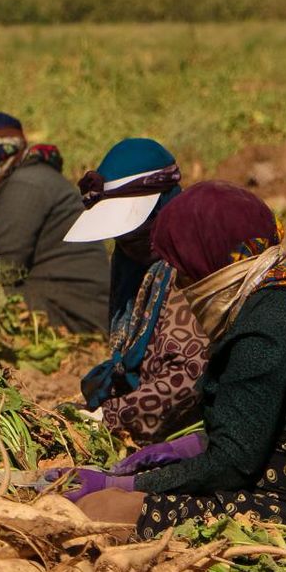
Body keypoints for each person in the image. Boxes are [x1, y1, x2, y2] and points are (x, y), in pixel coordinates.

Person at [59, 182, 286, 536]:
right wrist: (183, 449)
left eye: (185, 272)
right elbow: (253, 420)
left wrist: (132, 485)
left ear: (211, 262)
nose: (183, 285)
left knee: (103, 509)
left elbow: (233, 464)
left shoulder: (265, 329)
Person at [64, 138, 209, 442]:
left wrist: (111, 416)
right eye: (123, 237)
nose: (129, 243)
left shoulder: (194, 271)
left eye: (137, 232)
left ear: (164, 208)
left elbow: (189, 378)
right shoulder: (131, 262)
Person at [0, 111, 110, 333]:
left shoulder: (25, 186)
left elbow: (5, 270)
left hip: (71, 310)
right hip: (51, 293)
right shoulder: (21, 180)